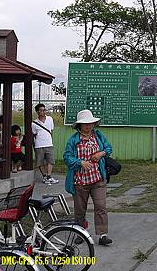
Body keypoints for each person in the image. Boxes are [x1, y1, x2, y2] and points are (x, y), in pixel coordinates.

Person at [63, 109, 113, 246]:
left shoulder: (98, 136)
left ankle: (103, 235)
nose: (89, 126)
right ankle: (81, 233)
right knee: (80, 210)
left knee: (101, 206)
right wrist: (80, 162)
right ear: (79, 125)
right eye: (85, 123)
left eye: (91, 123)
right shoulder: (73, 140)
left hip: (98, 178)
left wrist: (101, 153)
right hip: (80, 181)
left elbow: (109, 149)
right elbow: (67, 157)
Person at [31, 103, 58, 185]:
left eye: (44, 110)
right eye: (40, 110)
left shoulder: (50, 119)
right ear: (37, 112)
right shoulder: (34, 123)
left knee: (50, 160)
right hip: (39, 144)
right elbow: (34, 134)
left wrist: (51, 140)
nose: (42, 112)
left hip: (49, 143)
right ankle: (45, 177)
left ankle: (49, 176)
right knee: (40, 162)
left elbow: (51, 130)